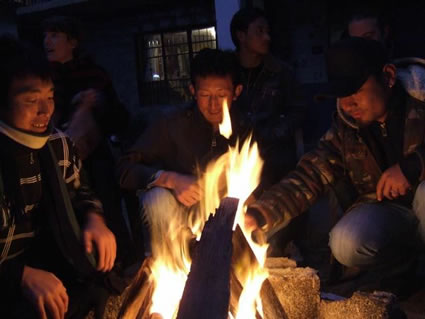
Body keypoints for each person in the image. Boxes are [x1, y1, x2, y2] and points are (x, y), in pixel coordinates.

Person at [245, 37, 425, 282]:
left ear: (389, 76)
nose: (348, 104)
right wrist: (259, 214)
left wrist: (414, 164)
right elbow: (312, 174)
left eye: (355, 90)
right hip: (392, 214)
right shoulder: (346, 128)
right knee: (345, 241)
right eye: (340, 94)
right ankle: (404, 266)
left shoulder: (420, 99)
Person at [0, 35, 116, 319]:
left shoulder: (57, 143)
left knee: (100, 290)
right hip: (9, 274)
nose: (45, 110)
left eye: (49, 97)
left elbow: (81, 190)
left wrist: (95, 219)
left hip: (45, 260)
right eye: (31, 100)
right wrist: (19, 276)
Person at [117, 48, 243, 261]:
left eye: (221, 95)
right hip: (179, 224)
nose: (213, 105)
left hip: (225, 220)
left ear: (236, 92)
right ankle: (171, 266)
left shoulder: (245, 129)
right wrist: (170, 179)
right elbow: (123, 169)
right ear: (192, 90)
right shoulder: (171, 125)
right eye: (205, 95)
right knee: (156, 198)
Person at [42, 16, 133, 270]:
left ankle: (117, 261)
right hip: (52, 159)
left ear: (72, 42)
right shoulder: (42, 77)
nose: (47, 41)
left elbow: (118, 118)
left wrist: (97, 102)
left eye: (55, 35)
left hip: (93, 160)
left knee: (105, 201)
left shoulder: (94, 74)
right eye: (45, 36)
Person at [230, 7, 306, 195]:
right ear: (241, 36)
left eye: (267, 32)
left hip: (275, 155)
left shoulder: (281, 72)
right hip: (236, 154)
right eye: (259, 31)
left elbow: (299, 110)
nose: (267, 38)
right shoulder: (227, 72)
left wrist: (275, 132)